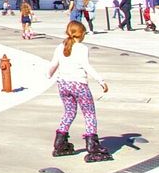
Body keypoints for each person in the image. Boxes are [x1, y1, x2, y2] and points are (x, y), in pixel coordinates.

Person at [48, 20, 112, 162]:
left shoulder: (60, 46)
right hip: (79, 85)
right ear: (81, 34)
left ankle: (60, 143)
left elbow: (53, 64)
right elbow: (87, 66)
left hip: (63, 84)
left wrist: (48, 75)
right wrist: (101, 81)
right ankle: (92, 146)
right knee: (89, 114)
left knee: (69, 112)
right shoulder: (82, 48)